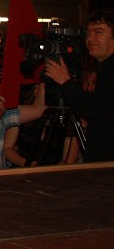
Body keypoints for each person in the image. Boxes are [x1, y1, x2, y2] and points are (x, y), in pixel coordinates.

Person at [40, 10, 113, 162]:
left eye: (98, 32)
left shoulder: (109, 69)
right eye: (88, 33)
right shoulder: (103, 68)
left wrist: (65, 82)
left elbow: (97, 111)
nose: (90, 39)